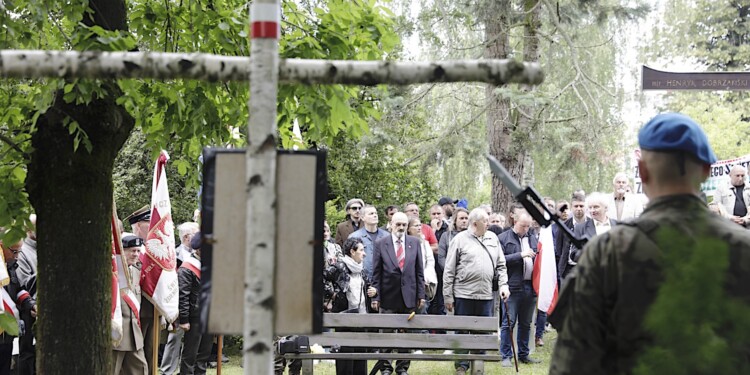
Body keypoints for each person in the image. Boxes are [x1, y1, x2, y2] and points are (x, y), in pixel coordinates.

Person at [550, 113, 750, 374]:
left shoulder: (608, 252)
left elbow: (572, 362)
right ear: (706, 171)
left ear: (643, 172)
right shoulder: (743, 249)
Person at [443, 208, 509, 375]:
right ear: (475, 224)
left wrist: (504, 285)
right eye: (486, 221)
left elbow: (501, 265)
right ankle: (461, 365)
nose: (489, 224)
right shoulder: (459, 240)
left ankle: (478, 364)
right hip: (463, 294)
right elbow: (449, 270)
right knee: (462, 331)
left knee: (483, 332)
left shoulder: (493, 238)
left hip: (486, 294)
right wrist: (448, 296)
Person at [371, 212, 425, 375]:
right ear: (391, 224)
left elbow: (419, 271)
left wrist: (421, 295)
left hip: (409, 296)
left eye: (404, 224)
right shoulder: (381, 243)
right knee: (386, 333)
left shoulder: (415, 243)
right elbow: (376, 273)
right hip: (388, 296)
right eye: (398, 224)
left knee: (406, 334)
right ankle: (386, 367)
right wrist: (376, 297)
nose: (401, 227)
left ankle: (402, 368)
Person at [323, 238, 377, 375]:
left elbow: (369, 287)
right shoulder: (339, 267)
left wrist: (374, 292)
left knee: (360, 360)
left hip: (361, 319)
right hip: (344, 318)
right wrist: (332, 294)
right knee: (345, 360)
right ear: (352, 252)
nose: (364, 254)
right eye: (361, 250)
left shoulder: (362, 270)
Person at [498, 213, 541, 366]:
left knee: (526, 323)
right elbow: (500, 260)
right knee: (508, 322)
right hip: (512, 286)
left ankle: (524, 354)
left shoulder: (533, 237)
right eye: (523, 225)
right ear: (515, 221)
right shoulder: (504, 238)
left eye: (528, 225)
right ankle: (506, 356)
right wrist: (520, 255)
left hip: (530, 286)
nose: (526, 228)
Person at [160, 222, 200, 375]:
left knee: (193, 347)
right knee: (174, 339)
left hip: (193, 305)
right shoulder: (173, 254)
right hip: (176, 303)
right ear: (186, 237)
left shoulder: (197, 255)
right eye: (195, 234)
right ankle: (167, 370)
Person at [124, 205, 156, 374]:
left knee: (150, 352)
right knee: (131, 358)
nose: (152, 226)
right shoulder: (125, 247)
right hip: (133, 312)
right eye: (148, 222)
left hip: (151, 308)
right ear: (137, 225)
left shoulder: (152, 249)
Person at [178, 233, 213, 375]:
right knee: (189, 357)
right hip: (194, 318)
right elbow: (183, 295)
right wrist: (184, 319)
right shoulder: (187, 267)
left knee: (203, 357)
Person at [113, 235, 148, 375]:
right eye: (132, 251)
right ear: (122, 251)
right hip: (117, 335)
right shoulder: (113, 274)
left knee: (141, 369)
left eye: (138, 251)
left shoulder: (137, 271)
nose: (136, 255)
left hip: (134, 335)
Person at [0, 232, 34, 375]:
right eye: (14, 251)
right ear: (2, 246)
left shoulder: (11, 265)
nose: (17, 256)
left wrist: (31, 304)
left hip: (6, 334)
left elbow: (18, 289)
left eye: (19, 251)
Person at [16, 214, 37, 375]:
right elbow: (23, 283)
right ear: (29, 229)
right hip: (29, 309)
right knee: (28, 354)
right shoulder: (22, 251)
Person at [349, 206, 390, 278]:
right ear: (362, 217)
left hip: (384, 279)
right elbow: (350, 260)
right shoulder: (354, 237)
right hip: (362, 278)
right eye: (371, 213)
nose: (375, 215)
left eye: (376, 213)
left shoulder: (387, 236)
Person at [407, 216, 438, 313]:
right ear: (408, 229)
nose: (419, 228)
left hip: (423, 284)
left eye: (420, 225)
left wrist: (425, 278)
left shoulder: (425, 243)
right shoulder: (404, 243)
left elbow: (430, 262)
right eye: (416, 226)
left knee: (422, 311)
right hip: (408, 284)